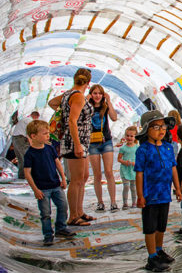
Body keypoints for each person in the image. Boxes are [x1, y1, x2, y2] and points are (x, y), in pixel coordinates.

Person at [135, 110, 182, 272]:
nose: (161, 130)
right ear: (146, 129)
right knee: (150, 226)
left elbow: (173, 169)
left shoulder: (168, 148)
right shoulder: (143, 150)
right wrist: (140, 195)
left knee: (161, 225)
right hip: (150, 195)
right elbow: (139, 173)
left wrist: (177, 187)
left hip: (164, 194)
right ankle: (152, 257)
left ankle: (159, 249)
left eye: (163, 126)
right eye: (156, 127)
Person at [48, 68, 95, 227]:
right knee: (76, 180)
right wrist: (77, 145)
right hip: (75, 141)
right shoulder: (78, 97)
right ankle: (73, 216)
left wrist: (63, 110)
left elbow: (52, 103)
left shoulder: (68, 94)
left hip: (81, 141)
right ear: (88, 82)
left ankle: (79, 211)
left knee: (83, 177)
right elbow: (72, 121)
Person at [23, 120, 76, 246]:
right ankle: (48, 235)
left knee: (63, 206)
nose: (48, 136)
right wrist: (35, 190)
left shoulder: (50, 148)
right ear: (33, 136)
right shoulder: (30, 154)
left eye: (48, 133)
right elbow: (27, 173)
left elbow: (58, 163)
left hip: (56, 185)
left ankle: (61, 228)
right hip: (42, 189)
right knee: (46, 213)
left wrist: (63, 178)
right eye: (45, 133)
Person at [87, 84, 119, 212]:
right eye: (94, 93)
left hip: (106, 141)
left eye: (100, 93)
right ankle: (100, 202)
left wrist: (109, 101)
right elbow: (78, 113)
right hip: (92, 142)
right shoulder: (87, 107)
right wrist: (85, 99)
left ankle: (113, 201)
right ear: (91, 94)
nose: (97, 96)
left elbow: (114, 117)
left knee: (109, 172)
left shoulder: (105, 107)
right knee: (97, 174)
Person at [11, 110, 40, 178]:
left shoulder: (25, 119)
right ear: (36, 117)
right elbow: (29, 135)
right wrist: (32, 145)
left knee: (20, 158)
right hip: (20, 139)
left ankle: (22, 175)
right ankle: (26, 175)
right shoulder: (29, 121)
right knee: (26, 157)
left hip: (15, 138)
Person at [117, 126, 138, 210]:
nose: (129, 138)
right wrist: (125, 162)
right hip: (125, 170)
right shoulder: (123, 148)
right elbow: (119, 159)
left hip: (133, 169)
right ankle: (125, 203)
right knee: (126, 186)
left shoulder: (137, 147)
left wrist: (134, 163)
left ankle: (134, 202)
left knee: (133, 187)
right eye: (127, 135)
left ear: (135, 137)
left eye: (131, 136)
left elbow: (140, 159)